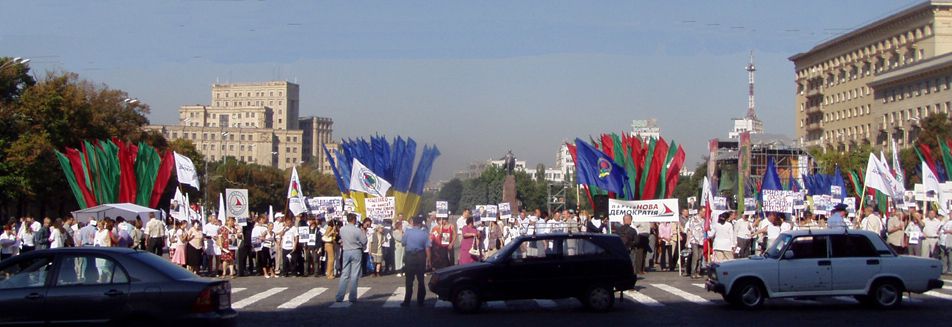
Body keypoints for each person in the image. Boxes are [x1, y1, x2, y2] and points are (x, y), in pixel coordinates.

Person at [336, 213, 368, 304]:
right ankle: (352, 297)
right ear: (354, 220)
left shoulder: (342, 229)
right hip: (356, 251)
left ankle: (339, 296)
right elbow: (364, 241)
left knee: (344, 274)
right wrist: (364, 232)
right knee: (354, 275)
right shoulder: (357, 230)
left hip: (346, 250)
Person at [401, 215, 432, 307]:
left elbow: (403, 243)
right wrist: (429, 260)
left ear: (413, 223)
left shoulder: (408, 232)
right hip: (420, 256)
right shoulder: (424, 233)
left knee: (409, 280)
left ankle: (407, 301)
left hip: (410, 257)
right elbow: (427, 248)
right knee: (421, 279)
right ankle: (420, 301)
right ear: (420, 224)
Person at [684, 208, 705, 278]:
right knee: (695, 256)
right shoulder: (693, 219)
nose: (704, 213)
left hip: (701, 241)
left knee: (699, 257)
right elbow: (689, 230)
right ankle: (693, 272)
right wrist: (687, 241)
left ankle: (698, 271)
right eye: (703, 212)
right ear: (700, 211)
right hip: (694, 240)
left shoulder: (704, 220)